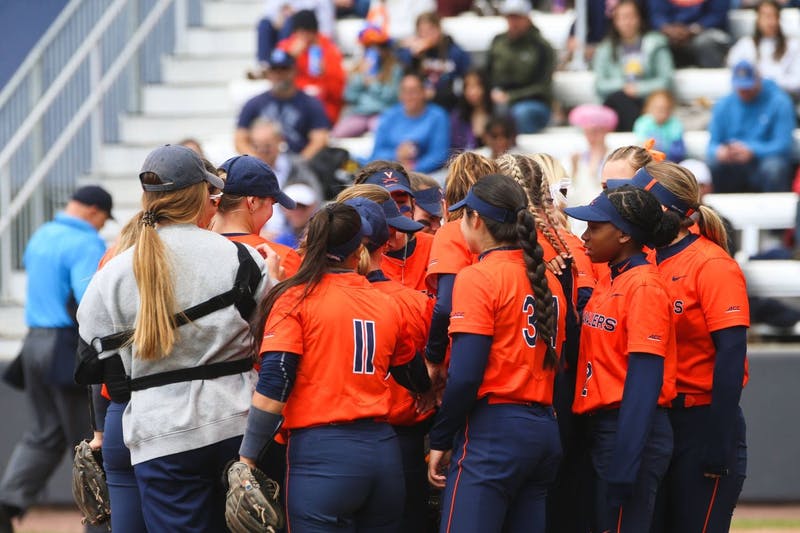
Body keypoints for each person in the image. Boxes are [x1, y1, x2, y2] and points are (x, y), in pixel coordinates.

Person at [75, 145, 271, 532]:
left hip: (160, 431)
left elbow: (95, 359)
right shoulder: (242, 257)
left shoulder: (114, 271)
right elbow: (268, 336)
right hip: (237, 424)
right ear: (202, 194)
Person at [236, 202, 431, 531]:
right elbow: (410, 371)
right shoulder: (386, 302)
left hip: (322, 456)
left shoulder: (295, 299)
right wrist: (426, 391)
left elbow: (275, 382)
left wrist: (247, 457)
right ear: (359, 249)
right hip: (383, 452)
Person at [605, 162, 749, 533]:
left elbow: (731, 354)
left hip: (703, 420)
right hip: (659, 423)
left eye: (643, 200)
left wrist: (718, 439)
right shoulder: (647, 259)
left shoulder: (712, 264)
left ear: (667, 211)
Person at [427, 174, 566, 531]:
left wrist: (441, 438)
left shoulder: (479, 276)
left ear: (476, 220)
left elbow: (467, 374)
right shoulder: (547, 279)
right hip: (543, 427)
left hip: (494, 430)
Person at [565, 184, 680, 533]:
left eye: (595, 227)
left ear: (624, 235)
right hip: (606, 428)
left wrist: (626, 460)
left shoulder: (644, 286)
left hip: (630, 431)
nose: (585, 235)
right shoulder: (612, 279)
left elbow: (644, 382)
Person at [0, 186, 112, 533]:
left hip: (33, 342)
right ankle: (100, 521)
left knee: (43, 433)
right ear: (94, 211)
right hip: (65, 346)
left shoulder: (41, 234)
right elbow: (89, 302)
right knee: (91, 440)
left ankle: (6, 505)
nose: (101, 226)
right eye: (103, 219)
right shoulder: (86, 243)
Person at [335, 191, 437, 532]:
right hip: (401, 440)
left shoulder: (311, 298)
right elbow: (439, 375)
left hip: (332, 441)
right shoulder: (415, 302)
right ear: (387, 242)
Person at [424, 152, 497, 378]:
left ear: (445, 205)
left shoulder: (451, 231)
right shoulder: (507, 234)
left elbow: (446, 305)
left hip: (466, 356)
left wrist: (433, 358)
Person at [706, 59, 796, 193]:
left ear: (759, 81)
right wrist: (722, 151)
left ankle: (775, 209)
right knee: (714, 163)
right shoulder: (723, 105)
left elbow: (783, 144)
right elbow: (712, 145)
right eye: (740, 87)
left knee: (773, 167)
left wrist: (753, 150)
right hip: (734, 163)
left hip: (765, 161)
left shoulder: (780, 102)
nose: (744, 91)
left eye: (748, 87)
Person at [214, 154, 302, 280]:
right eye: (272, 203)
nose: (271, 210)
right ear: (253, 202)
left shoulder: (194, 250)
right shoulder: (280, 257)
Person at [593, 0, 675, 132]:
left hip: (648, 101)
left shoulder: (656, 44)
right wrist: (624, 87)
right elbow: (600, 84)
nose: (627, 22)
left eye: (631, 16)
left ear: (639, 18)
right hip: (618, 103)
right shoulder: (605, 49)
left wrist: (639, 88)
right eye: (623, 17)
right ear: (615, 21)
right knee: (619, 99)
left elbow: (665, 81)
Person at [236, 49, 330, 160]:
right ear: (268, 73)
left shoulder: (311, 104)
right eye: (274, 70)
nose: (279, 74)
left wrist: (299, 164)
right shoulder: (254, 104)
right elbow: (240, 139)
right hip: (263, 161)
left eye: (284, 69)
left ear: (294, 71)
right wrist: (258, 164)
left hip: (298, 163)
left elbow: (320, 139)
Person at [355, 161, 434, 292]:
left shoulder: (435, 246)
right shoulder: (352, 258)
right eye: (384, 203)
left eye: (401, 202)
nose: (394, 210)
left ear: (413, 205)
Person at [487, 0, 556, 133]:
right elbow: (487, 73)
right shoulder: (498, 42)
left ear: (527, 18)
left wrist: (511, 96)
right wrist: (492, 92)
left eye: (518, 17)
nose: (513, 22)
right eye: (510, 17)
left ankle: (517, 152)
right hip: (498, 97)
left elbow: (542, 86)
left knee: (520, 113)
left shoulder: (541, 46)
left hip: (533, 101)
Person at [369, 72, 451, 173]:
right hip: (390, 173)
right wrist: (397, 154)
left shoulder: (437, 116)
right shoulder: (389, 115)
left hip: (426, 175)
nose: (408, 96)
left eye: (413, 91)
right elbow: (376, 153)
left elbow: (439, 155)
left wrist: (414, 168)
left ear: (423, 92)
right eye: (404, 91)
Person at [332, 24, 403, 138]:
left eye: (376, 47)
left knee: (383, 134)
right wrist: (361, 78)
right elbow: (349, 96)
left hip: (382, 113)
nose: (372, 51)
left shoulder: (395, 69)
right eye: (368, 47)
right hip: (360, 114)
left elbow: (391, 97)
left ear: (385, 48)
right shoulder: (359, 68)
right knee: (336, 134)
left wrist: (373, 83)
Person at [276, 9, 346, 124]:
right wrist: (290, 57)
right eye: (299, 32)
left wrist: (325, 74)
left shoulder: (329, 49)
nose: (303, 36)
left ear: (314, 32)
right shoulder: (286, 47)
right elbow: (275, 77)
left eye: (307, 32)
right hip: (291, 103)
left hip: (322, 106)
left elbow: (339, 92)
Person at [727, 0, 800, 103]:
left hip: (783, 98)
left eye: (774, 16)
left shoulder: (793, 45)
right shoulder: (745, 45)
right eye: (766, 16)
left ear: (779, 19)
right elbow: (735, 74)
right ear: (758, 19)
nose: (770, 22)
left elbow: (797, 81)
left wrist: (767, 83)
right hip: (751, 99)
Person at [397, 11, 471, 111]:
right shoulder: (413, 53)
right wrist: (414, 58)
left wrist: (436, 94)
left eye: (430, 30)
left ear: (439, 29)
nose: (426, 35)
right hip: (421, 107)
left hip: (449, 105)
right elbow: (407, 79)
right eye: (422, 31)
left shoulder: (455, 52)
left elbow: (463, 84)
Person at [254, 0, 335, 73]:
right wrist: (291, 55)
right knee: (264, 24)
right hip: (285, 26)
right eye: (301, 33)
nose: (304, 36)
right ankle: (263, 64)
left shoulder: (324, 47)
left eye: (307, 33)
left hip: (312, 85)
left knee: (289, 22)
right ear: (296, 33)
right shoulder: (286, 45)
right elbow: (270, 14)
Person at [647, 0, 732, 68]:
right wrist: (668, 29)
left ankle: (715, 85)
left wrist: (692, 30)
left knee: (705, 43)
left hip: (706, 31)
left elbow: (717, 15)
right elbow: (657, 15)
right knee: (655, 42)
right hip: (671, 34)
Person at [567, 104, 619, 206]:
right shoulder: (576, 157)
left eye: (596, 131)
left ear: (605, 131)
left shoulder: (616, 156)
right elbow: (569, 195)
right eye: (587, 132)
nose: (591, 136)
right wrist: (574, 169)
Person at [633, 90, 687, 162]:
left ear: (670, 110)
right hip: (648, 161)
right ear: (649, 108)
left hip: (670, 161)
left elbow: (678, 151)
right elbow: (640, 146)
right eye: (657, 108)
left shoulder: (675, 124)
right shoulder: (643, 122)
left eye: (665, 108)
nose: (661, 112)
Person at [450, 69, 493, 151]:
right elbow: (455, 151)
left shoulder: (499, 113)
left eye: (477, 86)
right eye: (467, 86)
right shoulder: (457, 117)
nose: (472, 92)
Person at [273, 183, 321, 248]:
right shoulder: (281, 241)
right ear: (283, 208)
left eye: (302, 207)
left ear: (312, 207)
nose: (297, 212)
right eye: (291, 207)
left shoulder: (321, 238)